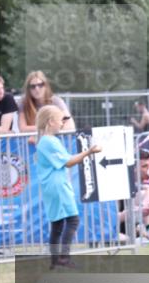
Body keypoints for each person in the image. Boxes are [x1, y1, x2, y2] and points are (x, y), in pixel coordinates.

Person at [34, 105, 102, 268]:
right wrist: (89, 151)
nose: (62, 124)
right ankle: (64, 258)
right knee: (73, 220)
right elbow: (69, 162)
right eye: (60, 120)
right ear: (50, 122)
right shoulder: (49, 141)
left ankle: (55, 262)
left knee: (57, 225)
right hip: (58, 186)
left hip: (51, 187)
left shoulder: (45, 141)